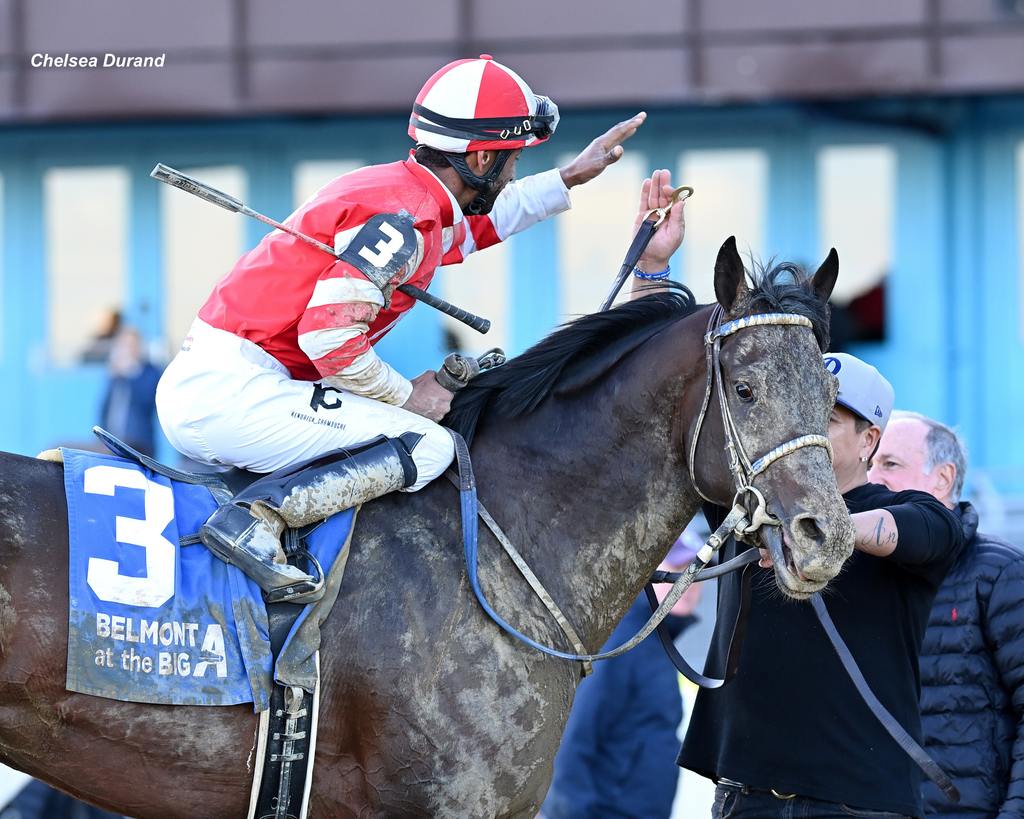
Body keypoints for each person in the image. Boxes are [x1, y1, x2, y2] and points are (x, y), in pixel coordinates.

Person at [155, 55, 659, 600]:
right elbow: (328, 338)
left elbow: (480, 226)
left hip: (237, 381)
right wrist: (406, 394)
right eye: (512, 159)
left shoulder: (403, 193)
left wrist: (569, 177)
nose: (513, 171)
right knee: (428, 447)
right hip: (237, 392)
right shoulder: (408, 219)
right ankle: (257, 521)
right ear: (484, 157)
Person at [679, 352, 964, 818]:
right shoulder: (748, 505)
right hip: (744, 795)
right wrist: (653, 278)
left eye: (824, 419)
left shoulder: (914, 511)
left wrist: (811, 530)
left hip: (857, 802)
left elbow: (924, 529)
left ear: (869, 439)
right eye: (793, 412)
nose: (800, 432)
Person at [869, 411, 1024, 817]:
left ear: (942, 478)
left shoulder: (999, 573)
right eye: (869, 464)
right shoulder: (859, 577)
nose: (872, 477)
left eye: (890, 464)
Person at [539, 531, 703, 819]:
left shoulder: (655, 643)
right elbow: (575, 736)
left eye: (697, 573)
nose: (689, 584)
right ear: (648, 575)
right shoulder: (623, 643)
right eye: (679, 570)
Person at [99, 326, 163, 456]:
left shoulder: (150, 372)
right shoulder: (116, 376)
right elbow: (106, 408)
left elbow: (146, 402)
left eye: (131, 345)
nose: (127, 350)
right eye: (123, 346)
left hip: (139, 445)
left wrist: (132, 373)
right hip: (113, 442)